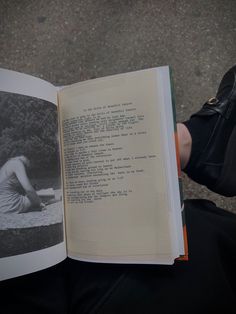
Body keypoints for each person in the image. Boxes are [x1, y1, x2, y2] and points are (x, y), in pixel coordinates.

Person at [1, 66, 236, 313]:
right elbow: (28, 191)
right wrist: (37, 204)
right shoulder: (17, 162)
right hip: (101, 292)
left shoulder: (10, 164)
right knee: (177, 234)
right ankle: (189, 145)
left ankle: (188, 145)